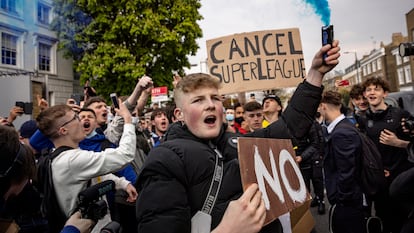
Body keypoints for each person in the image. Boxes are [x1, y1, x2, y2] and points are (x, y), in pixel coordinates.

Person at [135, 40, 341, 232]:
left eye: (215, 98)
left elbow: (286, 129)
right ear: (179, 115)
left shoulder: (233, 142)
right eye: (198, 100)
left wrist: (315, 75)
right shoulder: (163, 160)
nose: (210, 104)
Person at [35, 103, 136, 232]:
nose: (82, 120)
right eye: (76, 117)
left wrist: (122, 183)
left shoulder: (56, 156)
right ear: (63, 130)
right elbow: (124, 155)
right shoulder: (72, 160)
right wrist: (128, 119)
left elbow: (94, 173)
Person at [358, 77, 414, 233]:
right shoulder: (362, 120)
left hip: (401, 177)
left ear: (385, 93)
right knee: (384, 218)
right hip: (378, 178)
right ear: (365, 94)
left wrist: (397, 142)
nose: (372, 92)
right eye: (368, 90)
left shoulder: (400, 115)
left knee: (403, 220)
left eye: (376, 89)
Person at [319, 90, 366, 233]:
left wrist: (340, 199)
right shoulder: (343, 127)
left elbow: (347, 172)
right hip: (350, 200)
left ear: (323, 106)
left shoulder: (341, 133)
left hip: (348, 203)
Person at [295, 119, 326, 215]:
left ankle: (321, 201)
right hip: (302, 160)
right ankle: (310, 203)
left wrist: (320, 154)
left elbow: (317, 141)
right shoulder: (292, 123)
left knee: (317, 180)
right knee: (305, 183)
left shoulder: (311, 122)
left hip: (314, 157)